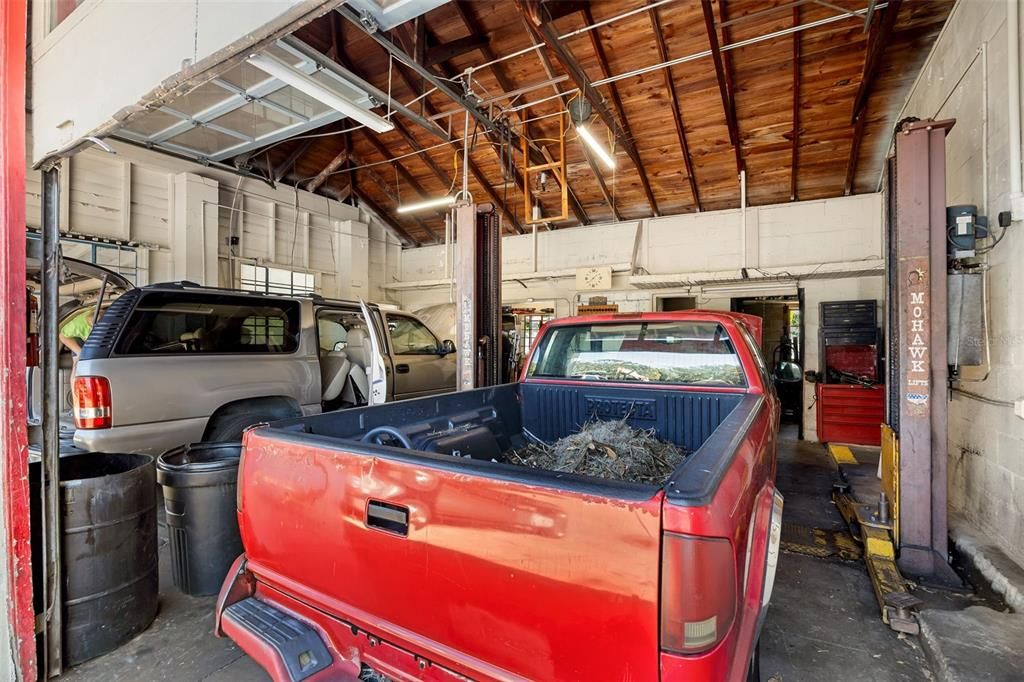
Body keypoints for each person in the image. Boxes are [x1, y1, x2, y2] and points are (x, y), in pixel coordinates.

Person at [59, 309, 94, 374]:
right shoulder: (77, 325)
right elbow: (62, 336)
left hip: (93, 340)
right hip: (79, 339)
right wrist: (80, 352)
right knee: (77, 363)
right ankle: (74, 383)